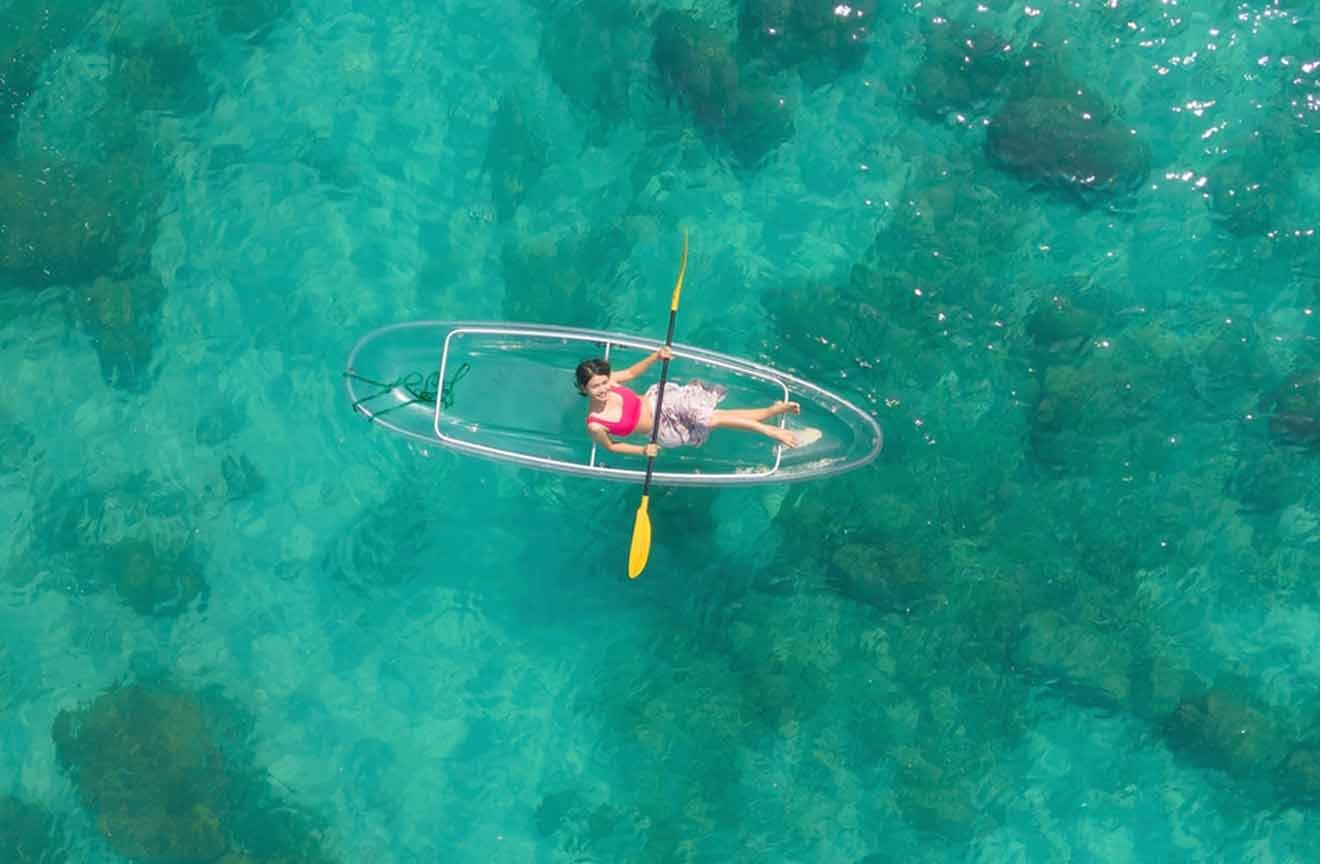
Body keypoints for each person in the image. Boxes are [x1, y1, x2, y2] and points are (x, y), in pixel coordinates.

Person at [576, 346, 801, 457]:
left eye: (604, 382)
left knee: (710, 419)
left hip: (661, 402)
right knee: (716, 418)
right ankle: (767, 412)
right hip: (662, 430)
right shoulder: (596, 423)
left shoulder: (611, 380)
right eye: (595, 386)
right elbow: (611, 446)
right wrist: (643, 450)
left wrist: (655, 356)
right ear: (584, 388)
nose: (603, 389)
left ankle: (768, 430)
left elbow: (633, 373)